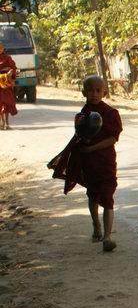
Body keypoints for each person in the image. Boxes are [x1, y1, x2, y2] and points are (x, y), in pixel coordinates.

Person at [48, 75, 123, 252]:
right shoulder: (82, 115)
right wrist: (86, 146)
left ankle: (107, 236)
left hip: (105, 160)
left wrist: (92, 149)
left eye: (98, 90)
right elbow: (81, 136)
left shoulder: (111, 113)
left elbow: (113, 138)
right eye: (90, 90)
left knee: (107, 196)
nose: (94, 94)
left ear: (104, 92)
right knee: (92, 194)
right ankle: (96, 225)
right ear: (83, 92)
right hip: (89, 163)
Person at [0, 42, 18, 130]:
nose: (0, 49)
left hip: (6, 83)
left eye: (1, 48)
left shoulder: (7, 58)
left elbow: (13, 68)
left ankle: (7, 122)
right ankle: (1, 122)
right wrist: (4, 69)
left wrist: (10, 72)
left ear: (3, 49)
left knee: (7, 103)